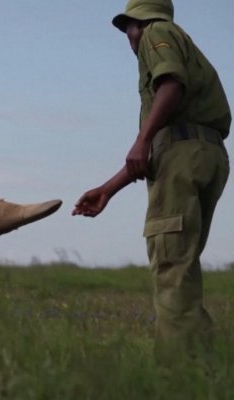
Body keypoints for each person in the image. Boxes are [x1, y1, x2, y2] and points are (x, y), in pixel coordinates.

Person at [72, 0, 230, 361]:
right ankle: (202, 366)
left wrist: (142, 139)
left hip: (182, 156)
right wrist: (108, 190)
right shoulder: (185, 43)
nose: (128, 37)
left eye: (128, 27)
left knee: (171, 265)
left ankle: (176, 374)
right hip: (207, 155)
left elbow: (170, 86)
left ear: (137, 24)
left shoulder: (156, 33)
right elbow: (156, 150)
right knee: (182, 266)